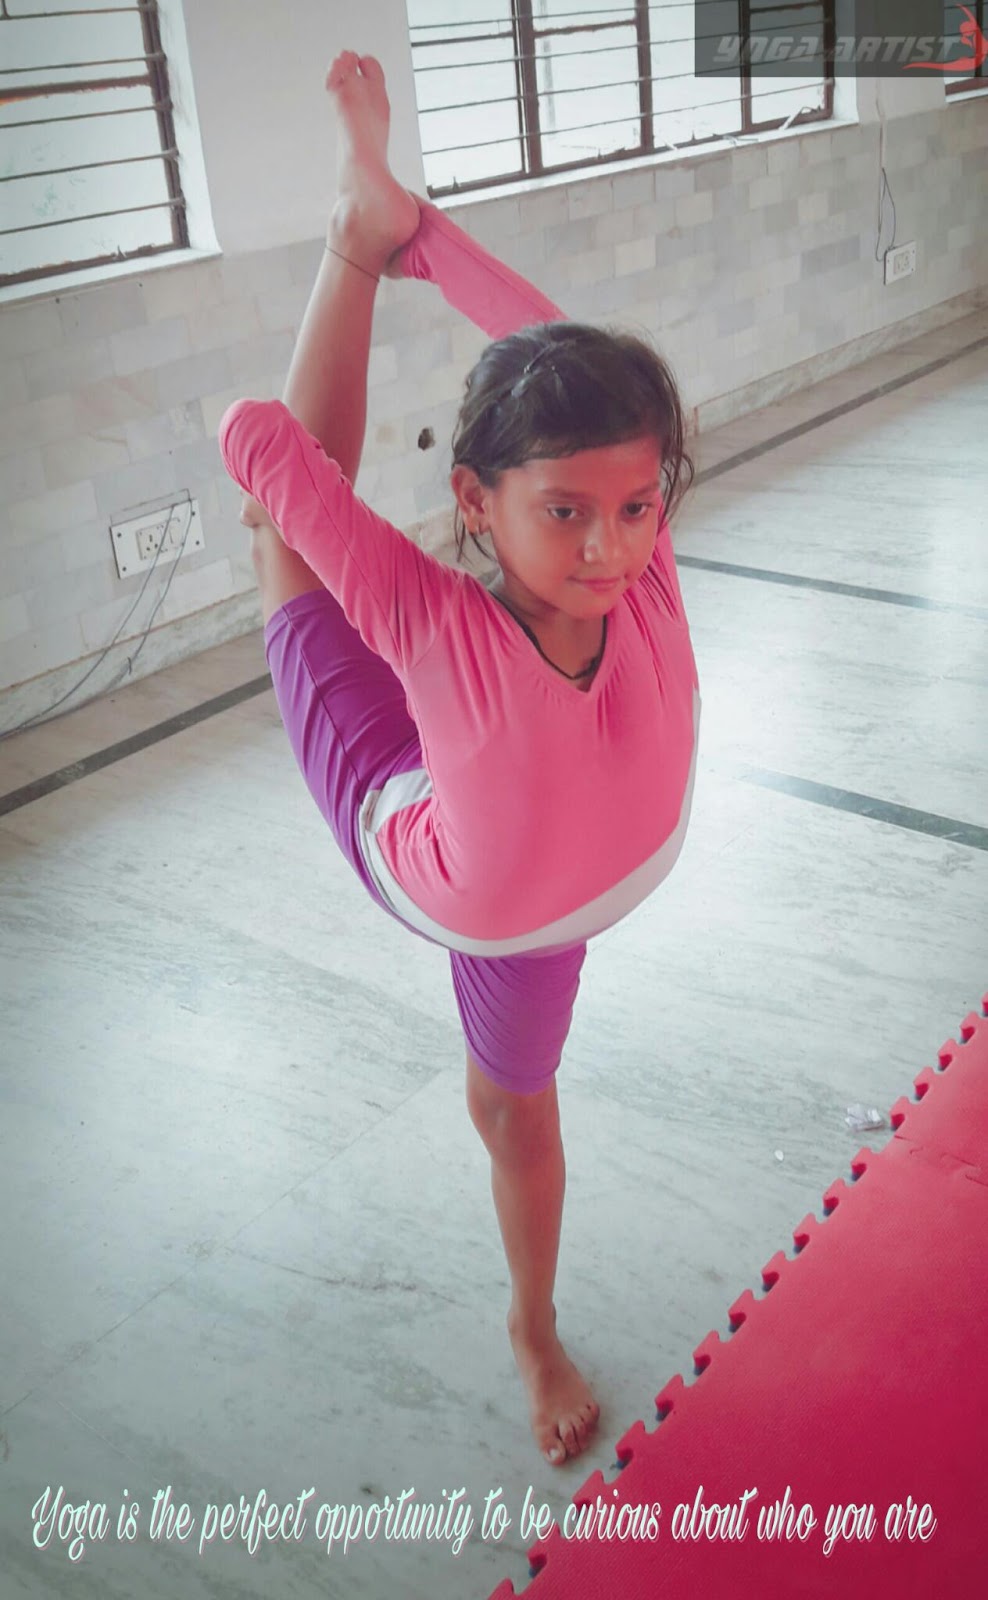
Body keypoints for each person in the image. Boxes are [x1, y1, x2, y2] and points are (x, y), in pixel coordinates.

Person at [219, 51, 701, 1468]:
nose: (612, 547)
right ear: (476, 507)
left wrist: (432, 237)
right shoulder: (433, 619)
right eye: (566, 512)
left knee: (504, 1101)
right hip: (413, 819)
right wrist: (246, 428)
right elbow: (264, 453)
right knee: (284, 540)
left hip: (544, 881)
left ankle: (369, 222)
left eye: (637, 504)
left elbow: (558, 345)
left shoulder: (641, 569)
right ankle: (534, 1335)